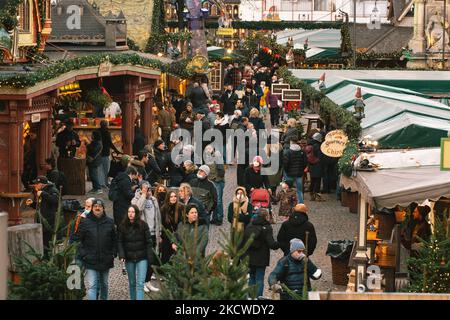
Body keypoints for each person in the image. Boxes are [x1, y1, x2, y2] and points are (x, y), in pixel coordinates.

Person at [71, 199, 117, 300]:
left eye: (99, 206)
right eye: (95, 206)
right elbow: (77, 240)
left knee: (104, 284)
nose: (97, 208)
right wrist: (84, 254)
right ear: (92, 208)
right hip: (90, 260)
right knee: (92, 286)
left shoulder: (110, 222)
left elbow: (115, 239)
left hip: (106, 259)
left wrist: (113, 253)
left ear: (103, 208)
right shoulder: (85, 222)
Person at [118, 205, 154, 300]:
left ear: (136, 213)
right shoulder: (122, 226)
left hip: (142, 257)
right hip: (129, 258)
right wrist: (121, 255)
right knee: (132, 283)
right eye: (129, 212)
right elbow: (120, 242)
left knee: (140, 283)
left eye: (133, 212)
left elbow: (149, 242)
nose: (131, 214)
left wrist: (149, 257)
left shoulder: (143, 225)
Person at [131, 181, 162, 292]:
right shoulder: (135, 200)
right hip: (142, 235)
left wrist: (160, 233)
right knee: (142, 260)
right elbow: (137, 209)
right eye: (146, 189)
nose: (148, 192)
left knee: (151, 260)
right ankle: (141, 283)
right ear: (141, 190)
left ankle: (147, 281)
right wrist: (143, 195)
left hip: (154, 234)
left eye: (149, 189)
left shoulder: (154, 200)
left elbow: (158, 217)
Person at [243, 209, 280, 298]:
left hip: (249, 257)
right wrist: (280, 244)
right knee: (259, 279)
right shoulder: (267, 227)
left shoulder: (249, 225)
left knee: (251, 277)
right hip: (261, 258)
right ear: (266, 216)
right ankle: (258, 297)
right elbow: (271, 244)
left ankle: (250, 297)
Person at [25, 176, 59, 255]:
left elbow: (56, 200)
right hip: (41, 220)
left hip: (49, 221)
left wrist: (43, 194)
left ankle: (48, 258)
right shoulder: (41, 191)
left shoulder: (52, 190)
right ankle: (44, 257)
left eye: (36, 184)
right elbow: (42, 205)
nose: (35, 186)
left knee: (47, 242)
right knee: (42, 242)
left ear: (41, 184)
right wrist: (32, 204)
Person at [160, 190, 184, 264]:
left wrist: (176, 241)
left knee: (177, 260)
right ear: (168, 198)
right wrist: (171, 242)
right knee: (166, 258)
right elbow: (163, 227)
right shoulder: (163, 209)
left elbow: (181, 225)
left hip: (178, 237)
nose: (173, 198)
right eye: (171, 197)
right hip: (167, 237)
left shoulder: (180, 207)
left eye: (175, 196)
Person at [97, 120, 122, 188]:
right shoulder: (107, 132)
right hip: (105, 152)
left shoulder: (97, 131)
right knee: (106, 169)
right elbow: (110, 143)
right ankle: (105, 183)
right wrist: (116, 150)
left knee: (99, 169)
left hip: (98, 153)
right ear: (106, 125)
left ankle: (100, 183)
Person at [205, 146, 225, 226]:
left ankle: (219, 218)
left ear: (213, 149)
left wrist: (218, 179)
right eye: (207, 149)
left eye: (209, 149)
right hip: (211, 180)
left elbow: (221, 170)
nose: (208, 150)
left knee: (219, 201)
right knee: (214, 200)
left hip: (217, 181)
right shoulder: (208, 157)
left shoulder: (217, 156)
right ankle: (214, 218)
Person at [283, 138, 307, 204]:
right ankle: (301, 204)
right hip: (299, 174)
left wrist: (286, 171)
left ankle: (288, 203)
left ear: (291, 143)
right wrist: (301, 169)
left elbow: (285, 163)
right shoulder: (302, 152)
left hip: (289, 174)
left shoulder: (288, 152)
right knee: (299, 190)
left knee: (288, 189)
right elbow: (305, 163)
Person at [306, 133, 324, 201]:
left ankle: (311, 195)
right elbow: (320, 157)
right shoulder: (318, 146)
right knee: (317, 181)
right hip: (318, 165)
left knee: (313, 180)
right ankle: (317, 195)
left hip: (311, 165)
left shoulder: (310, 144)